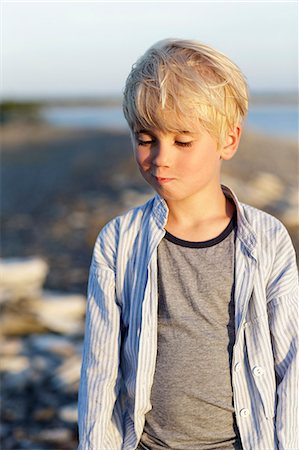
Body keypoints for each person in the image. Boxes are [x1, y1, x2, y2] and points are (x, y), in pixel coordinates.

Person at [77, 39, 298, 450]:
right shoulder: (119, 241)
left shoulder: (267, 239)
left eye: (183, 141)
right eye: (146, 139)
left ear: (228, 141)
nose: (161, 158)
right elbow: (99, 371)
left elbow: (291, 364)